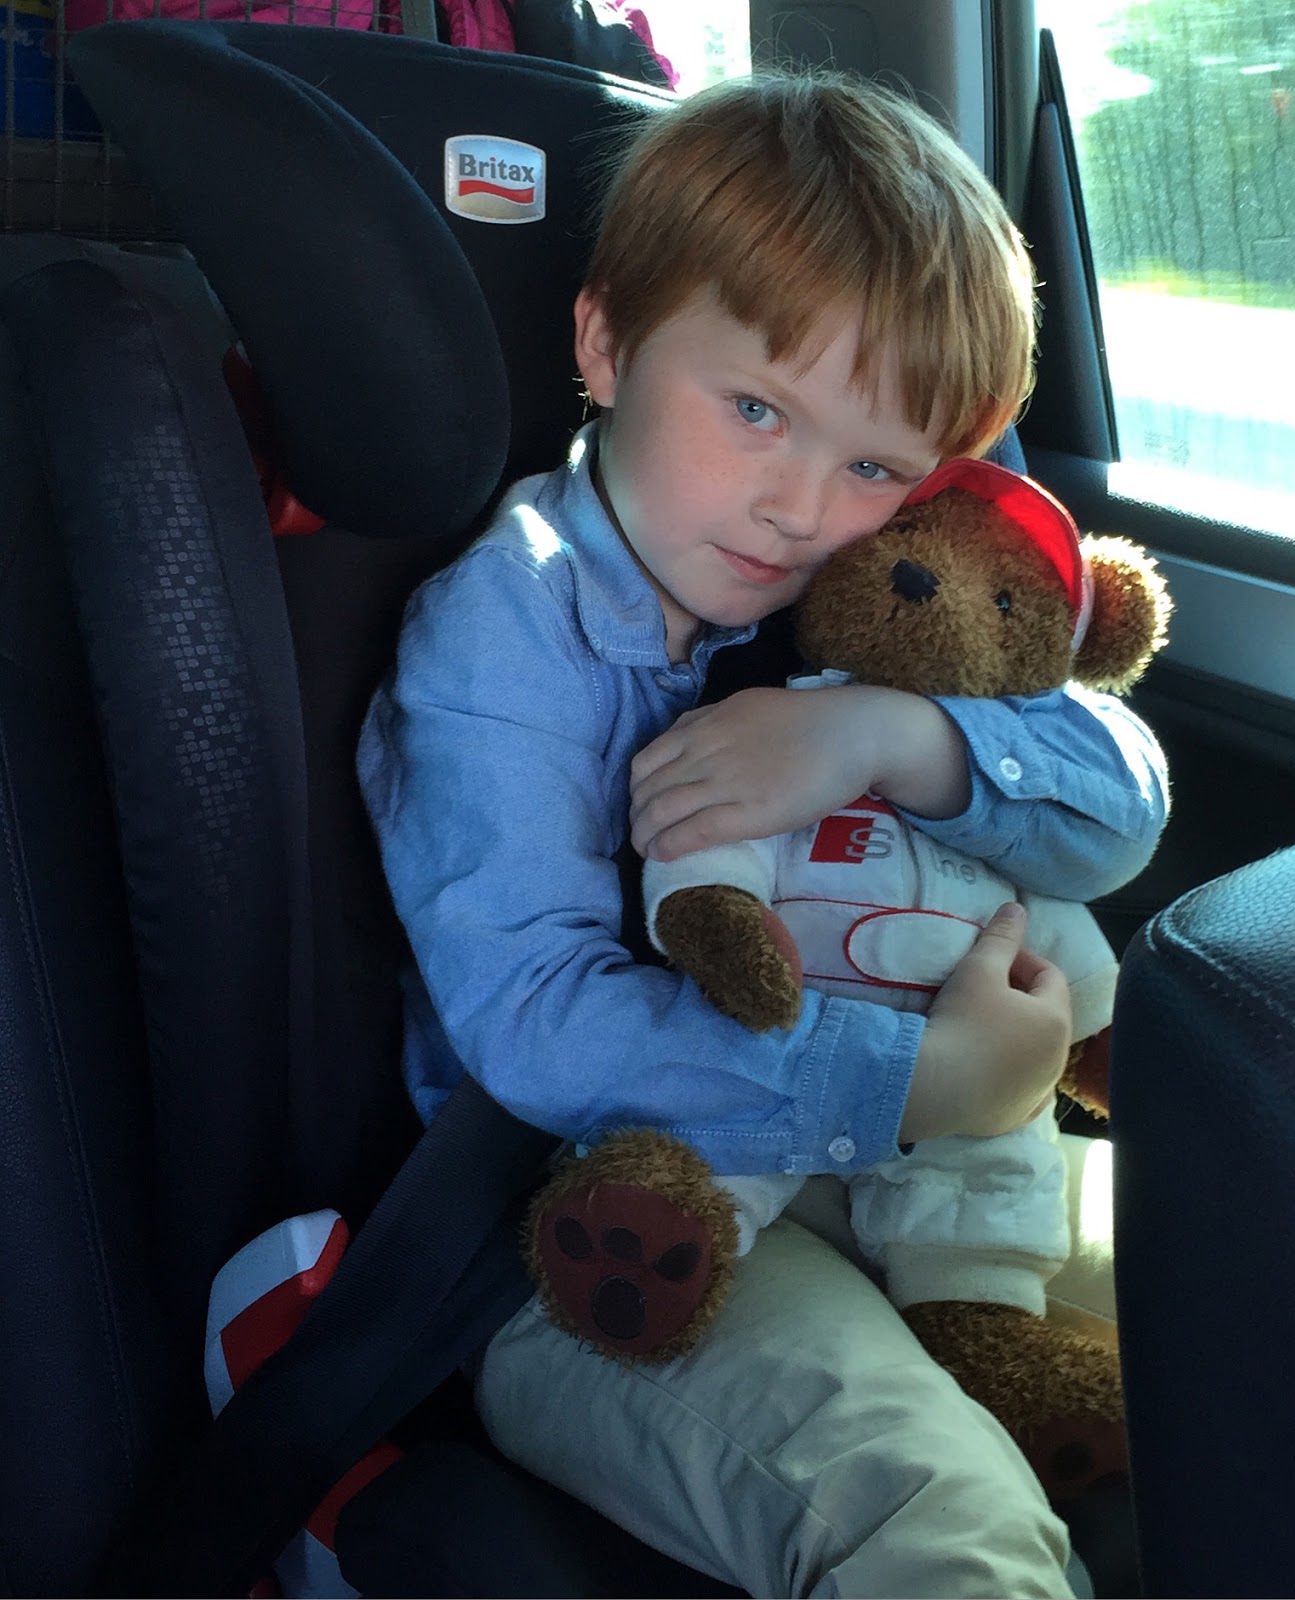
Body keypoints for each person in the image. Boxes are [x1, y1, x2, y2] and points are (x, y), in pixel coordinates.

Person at [358, 69, 1167, 1599]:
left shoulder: (866, 582)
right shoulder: (506, 637)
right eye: (754, 413)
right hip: (602, 1223)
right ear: (607, 343)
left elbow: (1119, 803)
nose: (802, 507)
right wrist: (917, 1080)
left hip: (919, 1180)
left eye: (876, 466)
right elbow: (533, 1023)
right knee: (949, 1532)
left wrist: (891, 736)